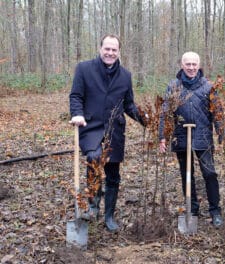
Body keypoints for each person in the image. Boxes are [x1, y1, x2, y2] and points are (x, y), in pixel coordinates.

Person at [69, 34, 147, 232]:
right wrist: (77, 114)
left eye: (114, 50)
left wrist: (146, 119)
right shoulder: (84, 69)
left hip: (115, 131)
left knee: (113, 174)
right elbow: (76, 95)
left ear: (118, 51)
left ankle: (109, 215)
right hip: (91, 127)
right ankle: (93, 204)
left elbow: (128, 104)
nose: (110, 53)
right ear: (100, 48)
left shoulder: (125, 75)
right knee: (93, 158)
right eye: (107, 49)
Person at [159, 51, 225, 227]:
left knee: (209, 173)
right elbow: (165, 113)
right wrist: (163, 137)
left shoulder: (208, 86)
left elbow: (218, 112)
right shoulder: (174, 86)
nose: (191, 67)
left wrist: (222, 135)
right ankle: (192, 209)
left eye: (194, 64)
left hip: (203, 136)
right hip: (181, 137)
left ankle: (215, 210)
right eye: (187, 64)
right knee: (187, 174)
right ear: (182, 65)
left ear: (199, 65)